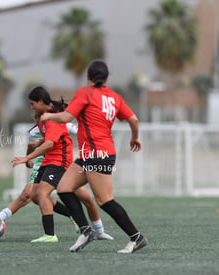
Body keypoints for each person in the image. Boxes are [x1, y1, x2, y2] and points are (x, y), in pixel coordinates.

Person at [40, 60, 148, 253]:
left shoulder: (85, 93)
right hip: (92, 154)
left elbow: (66, 118)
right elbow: (134, 119)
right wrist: (135, 138)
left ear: (88, 77)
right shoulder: (115, 97)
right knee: (64, 188)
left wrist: (48, 116)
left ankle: (136, 237)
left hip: (97, 154)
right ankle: (85, 231)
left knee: (104, 200)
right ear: (106, 78)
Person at [11, 86, 111, 243]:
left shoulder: (53, 117)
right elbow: (52, 138)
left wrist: (27, 157)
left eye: (32, 104)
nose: (31, 108)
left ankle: (51, 235)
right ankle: (79, 221)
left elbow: (50, 143)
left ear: (41, 101)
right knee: (38, 195)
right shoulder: (41, 117)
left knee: (45, 195)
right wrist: (39, 142)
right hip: (49, 160)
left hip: (60, 161)